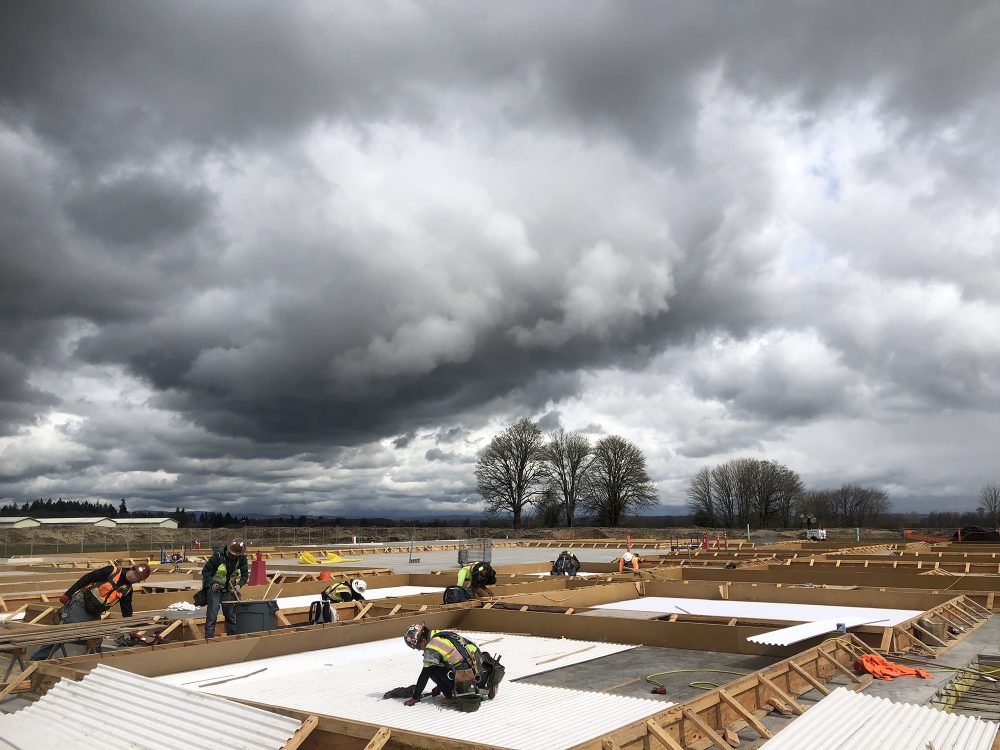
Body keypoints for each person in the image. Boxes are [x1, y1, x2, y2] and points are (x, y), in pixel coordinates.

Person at [31, 563, 151, 660]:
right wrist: (68, 593)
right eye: (136, 575)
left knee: (96, 639)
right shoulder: (112, 571)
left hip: (95, 612)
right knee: (64, 633)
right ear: (132, 570)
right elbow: (87, 578)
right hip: (80, 604)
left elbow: (127, 610)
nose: (135, 578)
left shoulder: (128, 590)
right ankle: (37, 660)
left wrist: (130, 629)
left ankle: (95, 667)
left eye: (139, 579)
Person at [400, 623, 502, 708]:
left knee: (430, 669)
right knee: (439, 663)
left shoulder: (431, 646)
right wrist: (439, 686)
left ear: (422, 640)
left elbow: (424, 675)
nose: (420, 649)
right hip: (481, 674)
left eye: (418, 647)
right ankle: (486, 686)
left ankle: (451, 696)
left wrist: (415, 697)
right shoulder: (441, 634)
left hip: (467, 684)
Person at [201, 539, 249, 639]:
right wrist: (212, 583)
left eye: (236, 556)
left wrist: (239, 585)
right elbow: (205, 571)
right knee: (212, 616)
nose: (233, 557)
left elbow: (245, 575)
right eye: (232, 555)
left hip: (228, 590)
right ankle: (208, 639)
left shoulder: (241, 559)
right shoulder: (218, 556)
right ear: (228, 550)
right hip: (215, 590)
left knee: (230, 617)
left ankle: (232, 639)